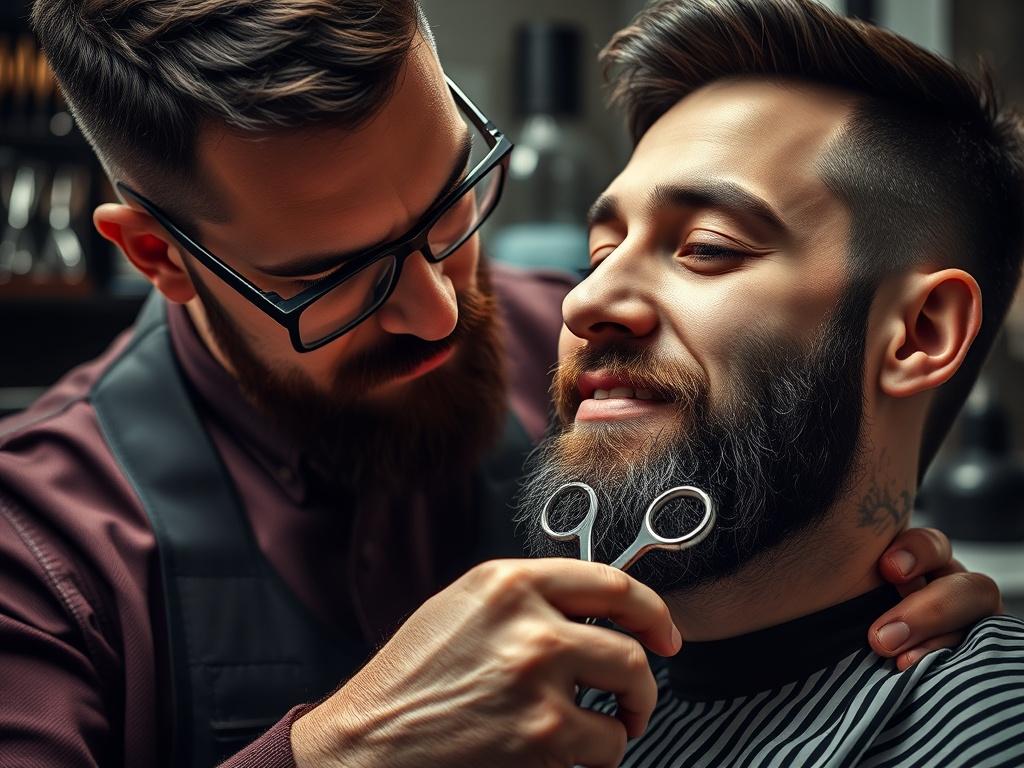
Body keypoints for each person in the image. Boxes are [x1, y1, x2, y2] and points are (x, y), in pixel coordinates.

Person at [0, 1, 1003, 767]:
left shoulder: (582, 359)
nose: (440, 311)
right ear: (159, 257)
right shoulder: (39, 555)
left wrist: (852, 558)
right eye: (334, 278)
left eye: (450, 204)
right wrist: (336, 753)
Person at [514, 0, 1024, 765]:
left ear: (921, 332)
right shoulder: (527, 700)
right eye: (600, 252)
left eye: (707, 249)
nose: (584, 300)